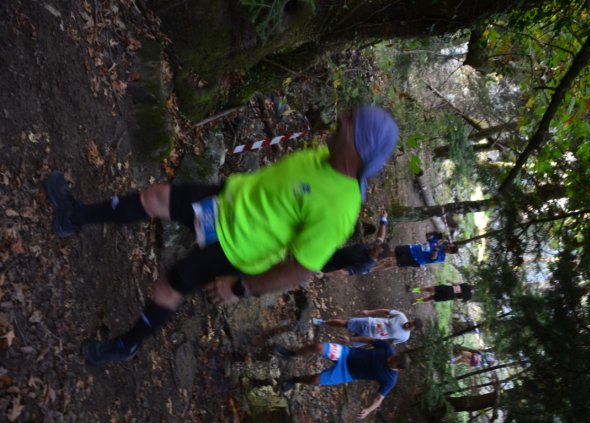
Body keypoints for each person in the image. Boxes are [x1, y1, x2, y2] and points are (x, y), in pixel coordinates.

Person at [45, 106, 399, 365]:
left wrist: (241, 287)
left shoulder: (339, 209)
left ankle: (127, 345)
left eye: (352, 123)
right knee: (154, 198)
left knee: (167, 287)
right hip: (225, 202)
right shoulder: (326, 156)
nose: (342, 118)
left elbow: (302, 269)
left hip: (235, 248)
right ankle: (73, 216)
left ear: (359, 150)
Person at [275, 339, 409, 420]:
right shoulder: (388, 349)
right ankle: (291, 354)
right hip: (347, 353)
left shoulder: (390, 379)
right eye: (393, 356)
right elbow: (370, 340)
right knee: (319, 347)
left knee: (316, 380)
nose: (389, 358)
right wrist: (351, 339)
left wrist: (368, 410)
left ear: (398, 368)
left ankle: (294, 380)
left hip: (346, 373)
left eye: (392, 361)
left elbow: (379, 399)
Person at [317, 210, 390, 278]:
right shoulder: (376, 246)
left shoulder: (364, 265)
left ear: (378, 258)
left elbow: (343, 272)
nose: (372, 247)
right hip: (334, 253)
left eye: (374, 250)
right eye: (375, 246)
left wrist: (325, 275)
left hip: (331, 265)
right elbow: (380, 237)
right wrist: (383, 220)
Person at [312, 308, 422, 346]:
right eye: (410, 322)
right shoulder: (401, 316)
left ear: (413, 330)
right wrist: (369, 312)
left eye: (411, 326)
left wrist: (373, 344)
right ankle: (323, 322)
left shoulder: (404, 337)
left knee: (348, 342)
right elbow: (385, 311)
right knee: (345, 323)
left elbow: (390, 342)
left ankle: (325, 346)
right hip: (368, 323)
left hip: (370, 338)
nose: (408, 324)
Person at [371, 231, 458, 272]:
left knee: (391, 263)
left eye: (450, 248)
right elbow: (427, 236)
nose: (448, 246)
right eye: (450, 245)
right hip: (411, 248)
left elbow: (433, 257)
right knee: (389, 253)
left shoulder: (442, 257)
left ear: (450, 252)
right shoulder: (439, 242)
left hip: (414, 259)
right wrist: (435, 233)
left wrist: (436, 248)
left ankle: (370, 270)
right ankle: (372, 259)